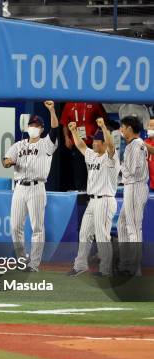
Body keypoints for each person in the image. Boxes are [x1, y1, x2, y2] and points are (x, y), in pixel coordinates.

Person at [3, 101, 59, 273]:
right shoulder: (18, 145)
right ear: (27, 127)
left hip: (37, 187)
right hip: (19, 187)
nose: (33, 127)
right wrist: (9, 162)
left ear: (41, 129)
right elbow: (5, 160)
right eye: (31, 125)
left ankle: (33, 264)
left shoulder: (46, 144)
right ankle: (22, 260)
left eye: (37, 125)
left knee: (37, 228)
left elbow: (55, 129)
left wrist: (51, 110)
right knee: (15, 227)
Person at [66, 118, 119, 277]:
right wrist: (74, 131)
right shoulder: (92, 155)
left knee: (102, 236)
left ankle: (106, 270)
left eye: (97, 142)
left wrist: (103, 127)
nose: (94, 144)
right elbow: (80, 145)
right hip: (93, 201)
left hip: (105, 200)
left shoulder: (111, 157)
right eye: (94, 141)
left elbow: (110, 145)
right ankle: (80, 265)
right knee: (84, 234)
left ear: (103, 143)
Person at [116, 116, 149, 276]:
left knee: (134, 228)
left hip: (135, 187)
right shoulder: (135, 144)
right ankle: (125, 263)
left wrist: (119, 166)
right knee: (122, 223)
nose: (121, 130)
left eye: (123, 127)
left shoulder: (136, 145)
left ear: (129, 128)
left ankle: (135, 269)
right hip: (132, 187)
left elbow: (135, 170)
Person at [60, 102, 107, 191]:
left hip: (93, 143)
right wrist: (66, 138)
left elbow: (104, 120)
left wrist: (99, 136)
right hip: (76, 143)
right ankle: (80, 192)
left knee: (93, 168)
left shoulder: (94, 102)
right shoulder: (69, 104)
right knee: (78, 168)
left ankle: (95, 190)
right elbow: (65, 124)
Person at [147, 119, 154, 192]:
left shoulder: (144, 143)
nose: (149, 128)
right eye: (149, 125)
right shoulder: (146, 141)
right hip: (151, 183)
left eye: (151, 126)